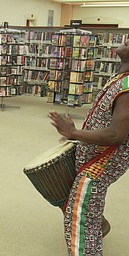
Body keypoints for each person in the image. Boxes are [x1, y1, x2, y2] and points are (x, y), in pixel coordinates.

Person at [48, 40, 129, 255]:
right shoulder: (121, 78)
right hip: (94, 159)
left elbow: (116, 135)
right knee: (76, 203)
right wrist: (79, 134)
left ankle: (95, 227)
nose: (126, 38)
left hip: (100, 165)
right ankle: (99, 223)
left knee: (80, 223)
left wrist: (72, 133)